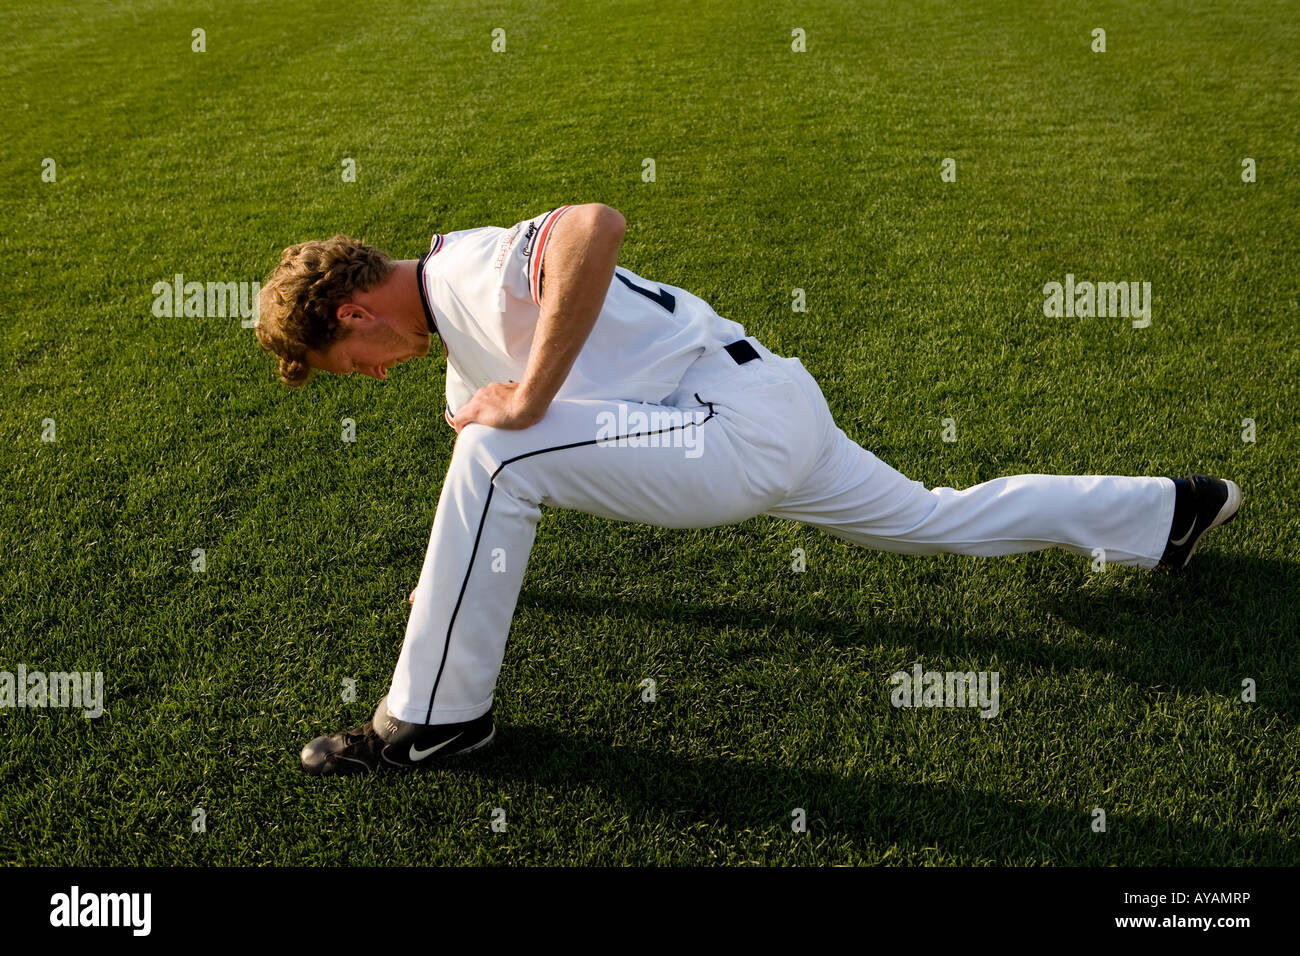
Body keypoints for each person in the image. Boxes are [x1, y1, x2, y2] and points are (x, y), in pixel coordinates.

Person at [253, 203, 1242, 776]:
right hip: (770, 402)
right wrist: (444, 581)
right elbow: (484, 440)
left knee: (497, 455)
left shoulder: (464, 267)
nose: (371, 376)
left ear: (352, 312)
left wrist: (536, 393)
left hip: (728, 429)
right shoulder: (454, 318)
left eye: (352, 362)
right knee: (934, 515)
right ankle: (1166, 510)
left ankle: (433, 721)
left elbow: (593, 227)